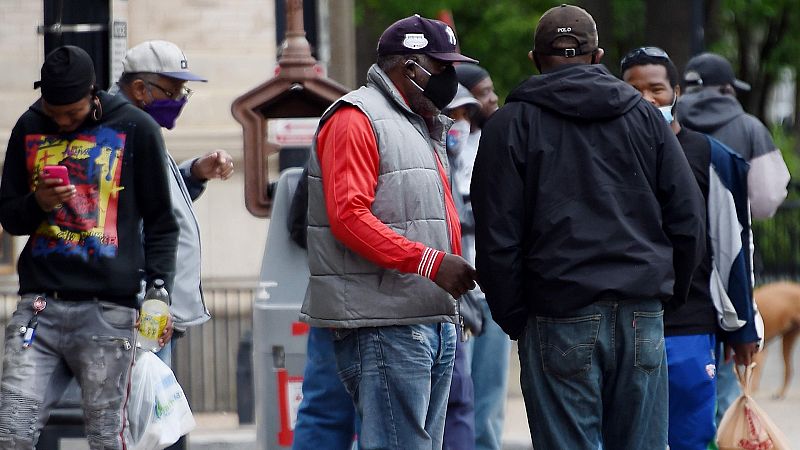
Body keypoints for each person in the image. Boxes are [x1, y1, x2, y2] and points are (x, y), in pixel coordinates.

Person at [470, 5, 706, 449]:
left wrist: (515, 316)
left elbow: (497, 233)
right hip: (640, 307)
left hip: (558, 309)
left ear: (535, 58)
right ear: (596, 56)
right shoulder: (644, 118)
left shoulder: (509, 126)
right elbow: (688, 217)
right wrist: (665, 296)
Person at [300, 14, 478, 449]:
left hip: (428, 315)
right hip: (385, 322)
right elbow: (349, 217)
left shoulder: (420, 121)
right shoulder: (355, 118)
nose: (450, 78)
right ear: (408, 67)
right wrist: (431, 263)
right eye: (440, 67)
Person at [0, 45, 178, 449]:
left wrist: (158, 290)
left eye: (72, 114)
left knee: (107, 437)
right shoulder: (28, 126)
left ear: (94, 96)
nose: (61, 122)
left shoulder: (136, 128)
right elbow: (11, 218)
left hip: (109, 313)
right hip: (40, 308)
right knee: (11, 431)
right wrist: (39, 203)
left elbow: (162, 223)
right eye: (53, 113)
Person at [621, 46, 761, 450]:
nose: (647, 99)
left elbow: (733, 245)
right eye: (634, 89)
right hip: (620, 324)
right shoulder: (604, 153)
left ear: (677, 92)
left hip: (690, 325)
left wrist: (742, 326)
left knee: (690, 438)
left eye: (657, 89)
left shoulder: (710, 155)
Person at [676, 51, 789, 423]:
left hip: (672, 268)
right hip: (731, 262)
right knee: (728, 366)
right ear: (727, 88)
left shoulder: (662, 122)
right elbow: (769, 199)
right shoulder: (748, 126)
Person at [114, 40, 235, 364]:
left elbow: (157, 204)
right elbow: (127, 224)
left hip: (156, 306)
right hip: (143, 309)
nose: (179, 101)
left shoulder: (142, 128)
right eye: (172, 91)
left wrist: (195, 173)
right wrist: (148, 299)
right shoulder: (121, 131)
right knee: (143, 409)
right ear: (140, 88)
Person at [454, 63, 510, 450]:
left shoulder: (501, 141)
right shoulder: (449, 144)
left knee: (489, 395)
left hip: (492, 287)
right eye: (482, 93)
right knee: (458, 393)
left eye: (491, 91)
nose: (491, 100)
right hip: (457, 287)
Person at [442, 84, 480, 450]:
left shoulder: (455, 164)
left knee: (460, 404)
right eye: (453, 115)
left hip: (455, 308)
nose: (461, 124)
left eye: (466, 115)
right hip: (426, 308)